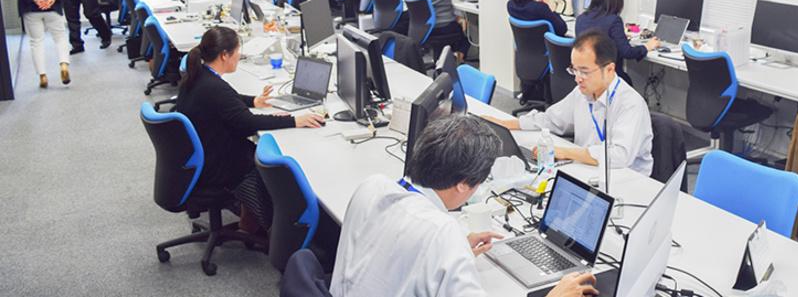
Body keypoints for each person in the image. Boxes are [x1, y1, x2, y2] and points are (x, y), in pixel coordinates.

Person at [329, 114, 598, 297]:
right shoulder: (441, 232)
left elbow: (389, 250)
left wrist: (450, 258)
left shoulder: (372, 186)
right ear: (462, 184)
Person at [175, 27, 324, 232]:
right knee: (272, 162)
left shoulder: (199, 75)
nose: (240, 55)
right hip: (217, 166)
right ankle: (266, 222)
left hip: (202, 155)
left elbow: (228, 100)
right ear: (225, 55)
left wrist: (254, 101)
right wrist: (294, 120)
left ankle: (251, 215)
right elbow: (248, 123)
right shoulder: (214, 87)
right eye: (238, 51)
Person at [484, 30, 654, 176]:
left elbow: (619, 156)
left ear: (609, 69)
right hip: (587, 170)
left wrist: (566, 152)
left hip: (624, 178)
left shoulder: (630, 104)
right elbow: (551, 120)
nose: (578, 78)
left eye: (584, 71)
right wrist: (506, 124)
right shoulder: (582, 92)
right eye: (574, 69)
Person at [575, 0, 659, 85]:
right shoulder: (614, 20)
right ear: (616, 2)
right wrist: (646, 47)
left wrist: (619, 37)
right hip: (609, 77)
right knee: (627, 81)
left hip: (587, 76)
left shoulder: (581, 18)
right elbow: (627, 52)